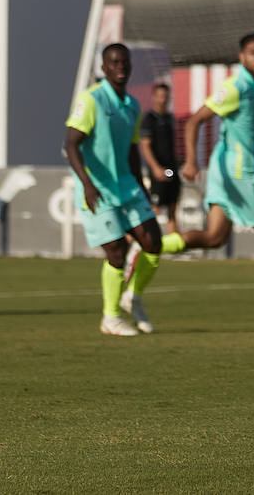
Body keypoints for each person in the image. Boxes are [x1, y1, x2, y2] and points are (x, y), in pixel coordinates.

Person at [162, 33, 254, 322]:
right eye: (252, 53)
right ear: (241, 57)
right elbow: (194, 121)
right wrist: (191, 161)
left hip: (230, 169)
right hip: (239, 171)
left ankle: (151, 245)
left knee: (214, 238)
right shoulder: (235, 85)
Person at [64, 43, 164, 336]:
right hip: (97, 188)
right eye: (114, 62)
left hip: (127, 186)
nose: (120, 67)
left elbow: (132, 151)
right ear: (104, 68)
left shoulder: (132, 105)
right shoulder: (92, 99)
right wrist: (87, 184)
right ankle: (110, 318)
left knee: (153, 243)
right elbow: (71, 143)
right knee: (116, 251)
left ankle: (132, 296)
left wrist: (142, 186)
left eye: (125, 62)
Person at [139, 82, 182, 232]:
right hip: (158, 171)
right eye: (160, 96)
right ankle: (136, 241)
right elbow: (145, 145)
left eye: (165, 96)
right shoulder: (149, 119)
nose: (163, 99)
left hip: (171, 169)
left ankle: (174, 249)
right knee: (154, 208)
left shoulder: (170, 118)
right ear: (154, 97)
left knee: (172, 208)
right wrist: (156, 168)